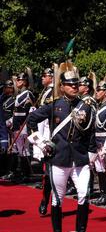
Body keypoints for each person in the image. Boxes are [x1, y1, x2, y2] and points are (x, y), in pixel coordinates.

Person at [28, 63, 96, 232]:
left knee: (83, 195)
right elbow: (32, 120)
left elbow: (91, 131)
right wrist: (40, 142)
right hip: (59, 157)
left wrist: (91, 154)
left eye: (76, 85)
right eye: (70, 85)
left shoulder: (86, 106)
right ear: (62, 86)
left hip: (80, 159)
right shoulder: (54, 105)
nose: (74, 87)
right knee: (58, 199)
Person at [90, 76, 106, 207]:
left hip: (105, 139)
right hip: (97, 139)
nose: (96, 92)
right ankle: (102, 193)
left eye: (99, 90)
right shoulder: (98, 107)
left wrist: (105, 144)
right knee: (99, 168)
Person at [36, 67, 55, 215]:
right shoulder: (48, 92)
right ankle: (45, 200)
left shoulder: (55, 92)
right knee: (48, 174)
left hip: (60, 135)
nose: (42, 78)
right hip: (48, 135)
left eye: (44, 76)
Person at [10, 69, 35, 180]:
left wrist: (23, 125)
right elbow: (17, 111)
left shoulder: (27, 94)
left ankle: (27, 173)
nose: (17, 82)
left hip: (23, 126)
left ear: (24, 81)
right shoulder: (20, 94)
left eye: (19, 80)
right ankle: (19, 172)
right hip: (17, 125)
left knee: (24, 150)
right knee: (18, 150)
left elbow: (29, 111)